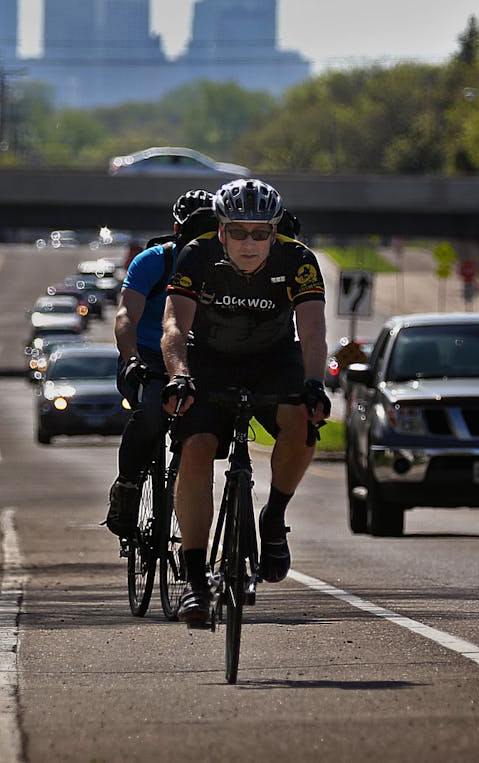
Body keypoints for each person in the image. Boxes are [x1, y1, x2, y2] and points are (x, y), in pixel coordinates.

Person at [159, 178, 329, 627]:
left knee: (301, 419)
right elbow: (174, 325)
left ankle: (274, 517)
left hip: (275, 358)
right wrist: (179, 376)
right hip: (211, 359)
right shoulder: (195, 255)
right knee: (195, 449)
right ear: (221, 231)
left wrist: (314, 384)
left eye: (260, 233)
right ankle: (195, 581)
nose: (249, 243)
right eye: (238, 232)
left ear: (275, 233)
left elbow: (312, 332)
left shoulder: (299, 260)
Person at [103, 189, 218, 537]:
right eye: (193, 229)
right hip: (148, 356)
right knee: (152, 411)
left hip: (198, 356)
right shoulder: (153, 260)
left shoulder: (223, 266)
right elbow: (126, 315)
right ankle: (127, 487)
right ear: (176, 227)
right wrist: (131, 358)